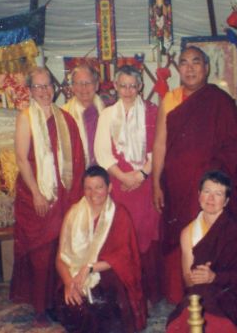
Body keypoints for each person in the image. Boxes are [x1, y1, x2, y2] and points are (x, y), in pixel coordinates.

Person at [152, 46, 237, 304]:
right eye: (184, 63)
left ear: (206, 68)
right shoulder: (170, 99)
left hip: (208, 187)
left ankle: (212, 294)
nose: (190, 68)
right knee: (179, 234)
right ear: (178, 68)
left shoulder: (221, 101)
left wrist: (213, 178)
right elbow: (159, 144)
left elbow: (232, 147)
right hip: (176, 185)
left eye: (195, 62)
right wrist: (155, 184)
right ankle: (179, 294)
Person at [10, 67, 85, 327]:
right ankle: (40, 308)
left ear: (54, 87)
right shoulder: (25, 117)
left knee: (60, 250)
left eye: (47, 85)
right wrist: (37, 193)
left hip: (63, 197)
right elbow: (22, 158)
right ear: (30, 91)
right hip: (36, 197)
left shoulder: (65, 118)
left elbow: (77, 162)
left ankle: (57, 303)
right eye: (38, 87)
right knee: (40, 255)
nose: (44, 91)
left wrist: (74, 198)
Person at [94, 65, 161, 305]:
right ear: (115, 86)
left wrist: (141, 175)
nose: (128, 90)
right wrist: (124, 177)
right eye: (123, 85)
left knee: (145, 237)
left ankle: (147, 294)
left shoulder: (153, 111)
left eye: (133, 85)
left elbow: (159, 149)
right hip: (120, 187)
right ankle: (127, 293)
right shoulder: (107, 115)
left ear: (141, 86)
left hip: (145, 185)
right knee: (122, 238)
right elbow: (102, 153)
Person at [166, 170, 237, 333]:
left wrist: (215, 278)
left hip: (233, 297)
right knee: (192, 307)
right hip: (201, 293)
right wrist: (201, 278)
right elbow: (189, 281)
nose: (211, 199)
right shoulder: (188, 232)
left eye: (218, 194)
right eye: (207, 191)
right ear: (199, 195)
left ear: (226, 201)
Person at [55, 165, 146, 333]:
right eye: (88, 188)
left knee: (103, 308)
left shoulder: (120, 213)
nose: (93, 193)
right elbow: (60, 258)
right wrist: (69, 283)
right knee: (74, 307)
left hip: (107, 272)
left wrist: (90, 268)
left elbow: (123, 256)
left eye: (99, 187)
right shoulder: (73, 214)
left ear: (109, 188)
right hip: (74, 275)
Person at [62, 65, 105, 167]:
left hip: (103, 173)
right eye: (79, 83)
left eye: (88, 83)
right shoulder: (63, 115)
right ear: (72, 87)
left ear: (97, 85)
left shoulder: (108, 111)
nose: (84, 88)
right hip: (76, 173)